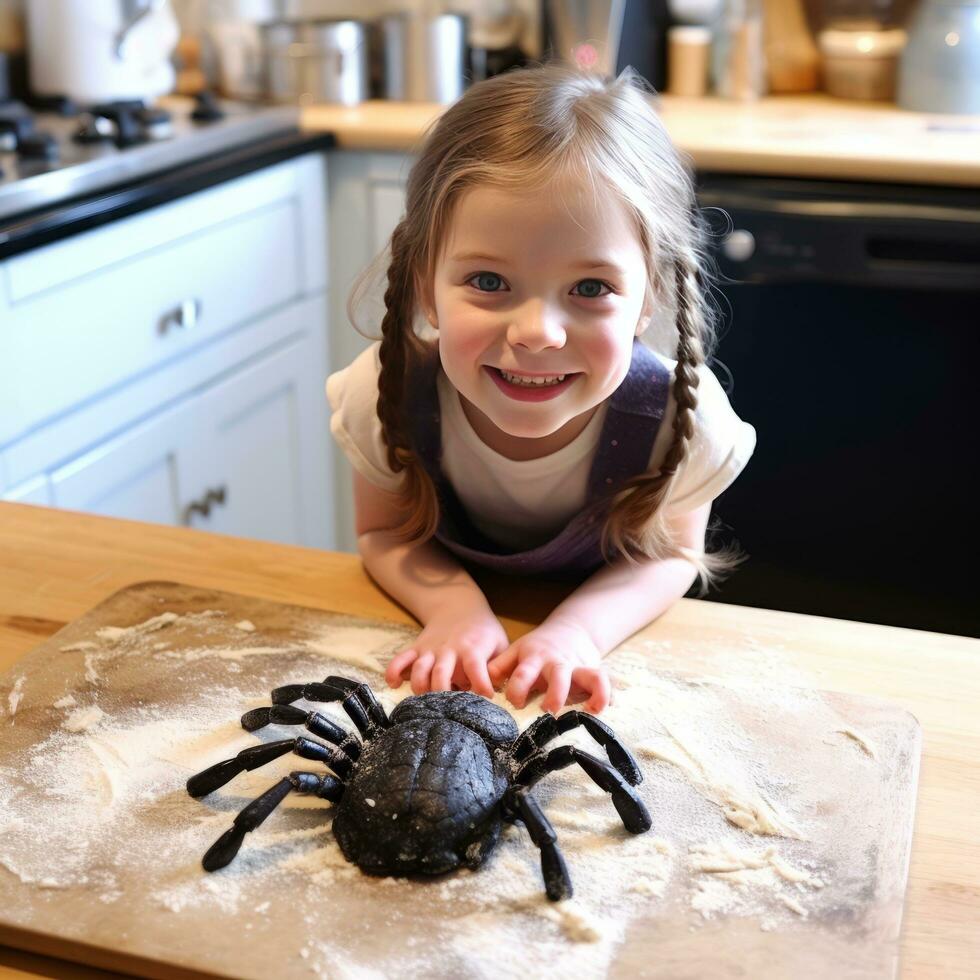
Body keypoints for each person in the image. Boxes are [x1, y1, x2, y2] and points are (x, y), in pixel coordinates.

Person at [327, 63, 756, 715]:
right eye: (489, 282)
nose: (537, 334)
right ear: (425, 287)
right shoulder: (384, 397)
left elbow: (671, 556)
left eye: (590, 289)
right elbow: (385, 535)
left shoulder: (682, 423)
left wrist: (577, 634)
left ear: (649, 301)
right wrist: (454, 613)